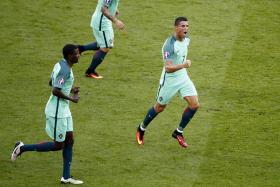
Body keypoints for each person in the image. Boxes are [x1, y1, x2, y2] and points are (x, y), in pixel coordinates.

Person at [11, 44, 83, 184]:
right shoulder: (65, 70)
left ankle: (66, 177)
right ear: (69, 56)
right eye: (76, 53)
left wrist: (69, 88)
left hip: (64, 110)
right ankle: (21, 148)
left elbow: (52, 81)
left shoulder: (60, 64)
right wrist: (71, 98)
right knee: (58, 145)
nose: (79, 55)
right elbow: (55, 90)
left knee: (70, 140)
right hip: (57, 112)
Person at [136, 17, 200, 148]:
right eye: (182, 26)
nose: (185, 29)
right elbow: (168, 68)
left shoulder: (187, 40)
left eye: (187, 26)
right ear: (175, 27)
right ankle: (141, 128)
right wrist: (183, 65)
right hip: (169, 81)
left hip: (183, 77)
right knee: (160, 107)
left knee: (194, 105)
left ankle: (178, 132)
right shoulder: (169, 46)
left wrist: (182, 67)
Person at [78, 0, 125, 79]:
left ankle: (79, 48)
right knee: (106, 47)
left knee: (104, 43)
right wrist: (116, 21)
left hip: (102, 20)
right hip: (102, 22)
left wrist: (114, 9)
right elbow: (103, 9)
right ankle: (90, 71)